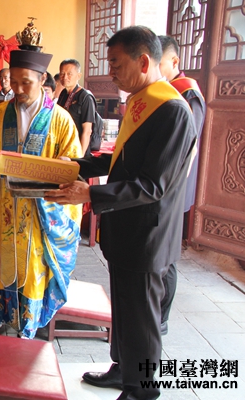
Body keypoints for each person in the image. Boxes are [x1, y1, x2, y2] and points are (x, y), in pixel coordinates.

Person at [44, 26, 197, 399]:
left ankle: (141, 391)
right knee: (125, 310)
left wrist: (90, 195)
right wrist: (79, 165)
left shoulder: (172, 111)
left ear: (143, 61)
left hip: (147, 235)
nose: (109, 71)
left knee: (141, 319)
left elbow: (153, 185)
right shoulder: (144, 101)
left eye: (115, 63)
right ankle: (122, 371)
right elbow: (122, 160)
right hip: (126, 229)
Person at [0, 24, 83, 339]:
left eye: (26, 82)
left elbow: (74, 166)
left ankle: (26, 327)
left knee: (33, 270)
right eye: (14, 82)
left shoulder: (60, 120)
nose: (18, 89)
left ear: (42, 80)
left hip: (39, 215)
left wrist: (61, 168)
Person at [158, 35, 206, 336]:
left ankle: (161, 316)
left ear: (174, 61)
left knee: (167, 255)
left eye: (158, 62)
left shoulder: (187, 94)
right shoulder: (163, 91)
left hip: (175, 185)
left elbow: (186, 145)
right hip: (163, 185)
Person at [57, 59, 99, 156]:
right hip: (64, 147)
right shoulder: (63, 94)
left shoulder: (85, 97)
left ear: (79, 76)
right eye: (62, 74)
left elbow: (87, 131)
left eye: (69, 74)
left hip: (78, 149)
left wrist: (80, 157)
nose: (65, 77)